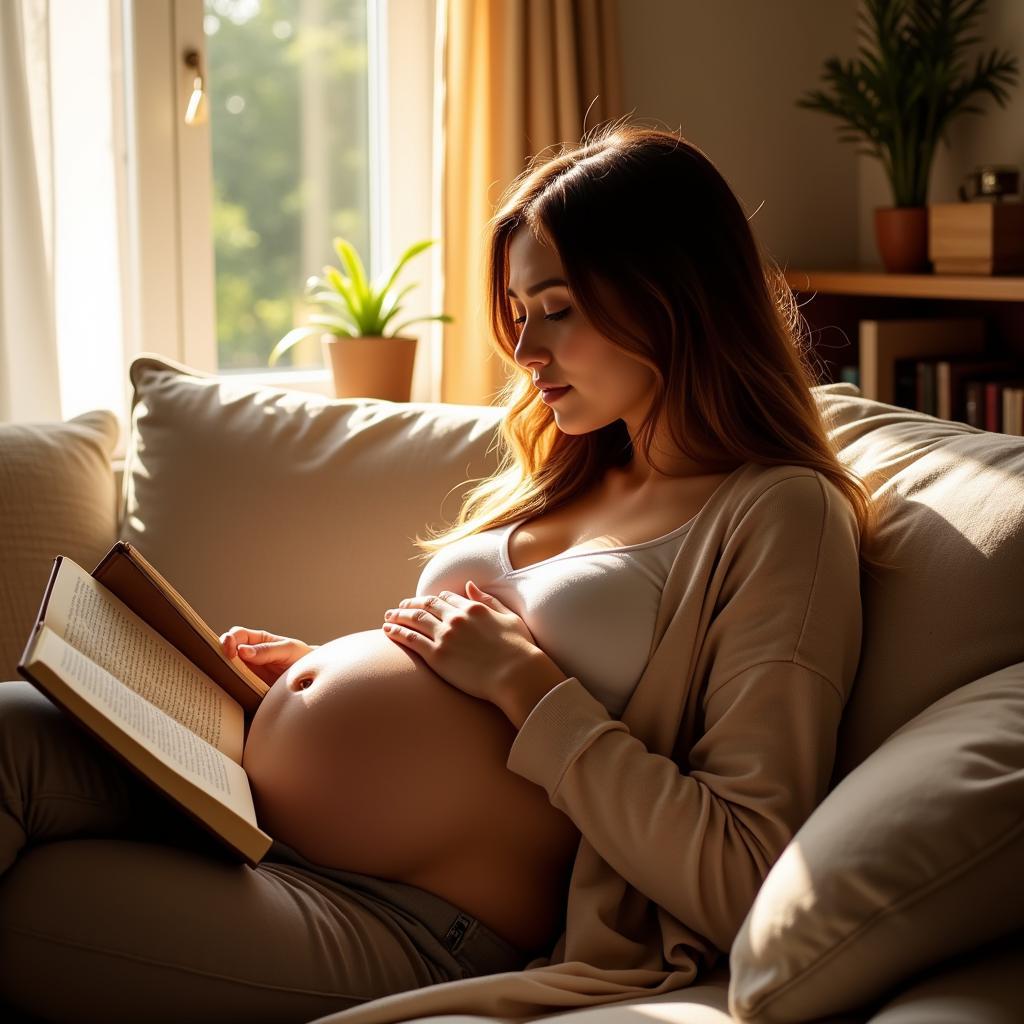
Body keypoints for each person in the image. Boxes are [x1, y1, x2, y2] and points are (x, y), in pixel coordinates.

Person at [0, 120, 882, 1024]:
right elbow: (447, 707)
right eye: (520, 313)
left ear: (672, 294)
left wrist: (524, 683)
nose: (527, 353)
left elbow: (748, 871)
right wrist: (309, 673)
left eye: (560, 308)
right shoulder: (569, 471)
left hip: (411, 918)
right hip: (245, 802)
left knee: (28, 917)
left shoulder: (778, 512)